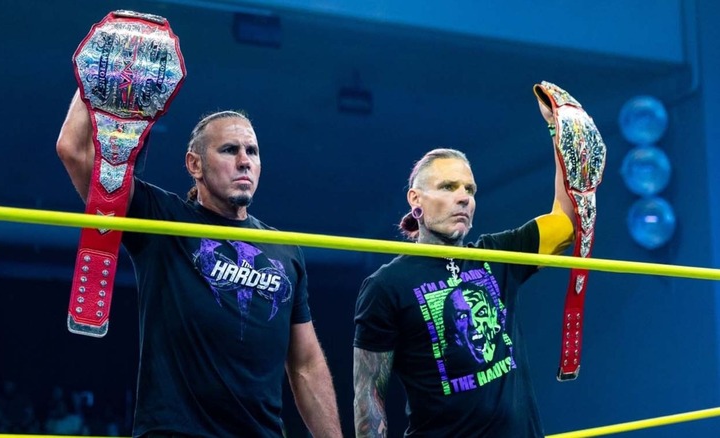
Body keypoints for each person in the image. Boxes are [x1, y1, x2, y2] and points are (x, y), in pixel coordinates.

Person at [56, 91, 342, 437]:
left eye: (252, 151)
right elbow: (76, 152)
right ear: (195, 165)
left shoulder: (286, 250)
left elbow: (306, 364)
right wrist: (96, 75)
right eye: (229, 150)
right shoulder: (163, 219)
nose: (244, 161)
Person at [353, 121, 578, 435]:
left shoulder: (498, 254)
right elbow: (369, 396)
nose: (463, 198)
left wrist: (560, 131)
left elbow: (566, 223)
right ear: (415, 200)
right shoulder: (386, 285)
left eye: (469, 190)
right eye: (448, 187)